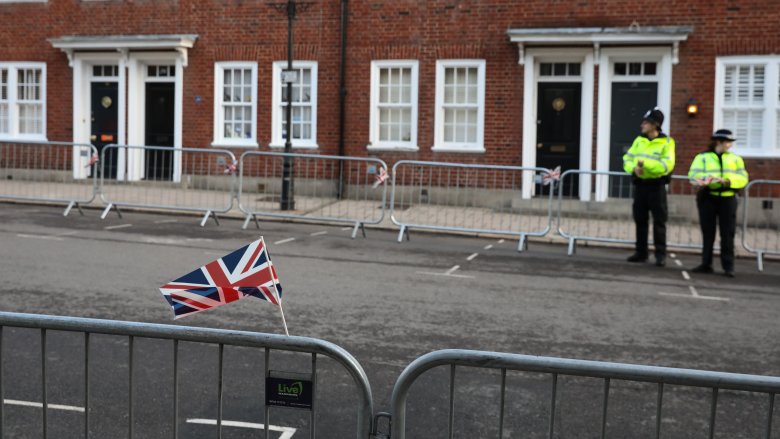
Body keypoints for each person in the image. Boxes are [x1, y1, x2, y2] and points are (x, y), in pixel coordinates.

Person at [688, 129, 748, 277]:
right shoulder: (702, 157)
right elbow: (693, 176)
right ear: (718, 142)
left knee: (727, 233)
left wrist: (728, 181)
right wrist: (708, 179)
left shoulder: (735, 159)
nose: (729, 145)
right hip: (708, 196)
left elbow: (743, 178)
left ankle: (728, 266)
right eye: (727, 142)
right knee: (708, 232)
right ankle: (706, 264)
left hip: (728, 198)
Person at [622, 107, 676, 267]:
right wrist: (633, 169)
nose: (642, 125)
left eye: (646, 122)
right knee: (640, 220)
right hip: (640, 186)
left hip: (656, 187)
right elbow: (627, 159)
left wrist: (644, 165)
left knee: (659, 222)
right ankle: (641, 253)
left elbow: (667, 165)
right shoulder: (639, 140)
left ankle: (660, 255)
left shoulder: (667, 142)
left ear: (655, 125)